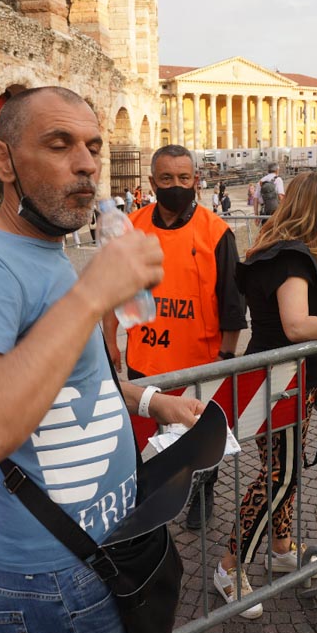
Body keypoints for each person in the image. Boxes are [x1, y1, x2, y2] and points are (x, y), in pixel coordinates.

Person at [0, 87, 203, 633]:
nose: (86, 163)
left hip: (116, 546)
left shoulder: (49, 252)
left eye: (93, 146)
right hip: (55, 577)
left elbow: (69, 381)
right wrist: (91, 296)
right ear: (3, 160)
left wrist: (152, 399)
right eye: (59, 144)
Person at [214, 171, 317, 618]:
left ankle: (281, 547)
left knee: (285, 471)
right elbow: (297, 325)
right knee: (279, 477)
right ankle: (229, 566)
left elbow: (305, 305)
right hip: (279, 384)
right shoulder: (291, 258)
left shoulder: (285, 254)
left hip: (285, 382)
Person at [105, 144, 246, 530]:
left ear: (196, 181)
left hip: (199, 365)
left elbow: (233, 303)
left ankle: (203, 490)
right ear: (152, 182)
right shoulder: (131, 228)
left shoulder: (216, 232)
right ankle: (156, 496)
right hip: (145, 362)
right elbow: (111, 292)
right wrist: (109, 343)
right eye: (166, 178)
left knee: (204, 440)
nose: (176, 185)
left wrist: (227, 356)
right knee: (150, 439)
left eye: (184, 178)